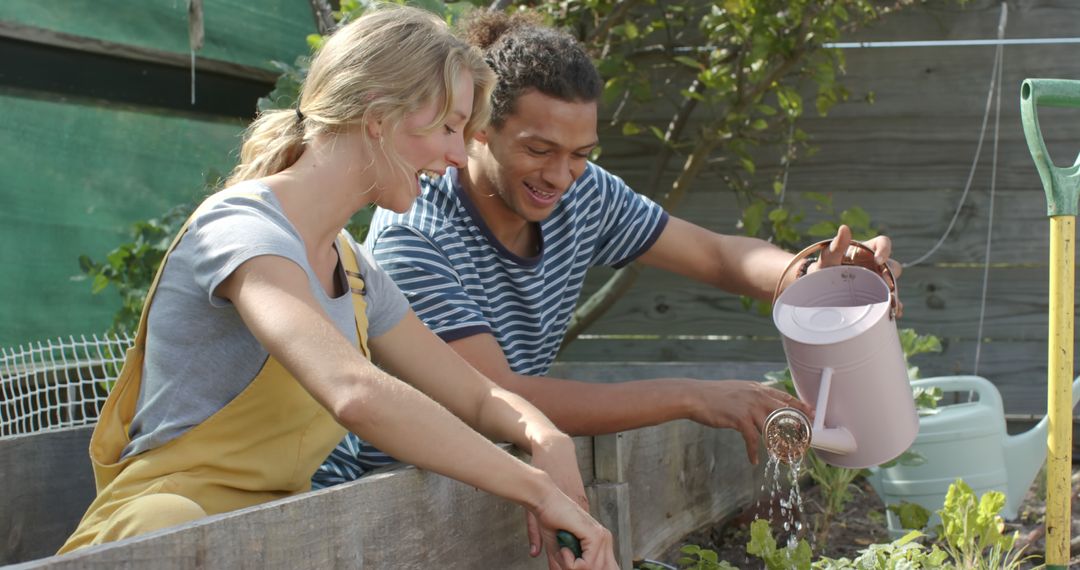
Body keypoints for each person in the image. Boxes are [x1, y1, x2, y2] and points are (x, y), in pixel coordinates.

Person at [57, 7, 617, 568]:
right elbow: (355, 393)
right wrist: (535, 489)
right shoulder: (240, 230)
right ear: (379, 114)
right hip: (162, 537)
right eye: (449, 127)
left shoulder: (352, 270)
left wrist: (546, 439)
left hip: (267, 540)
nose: (455, 157)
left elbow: (477, 394)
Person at [319, 9, 896, 491]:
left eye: (581, 153)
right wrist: (695, 397)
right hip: (383, 487)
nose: (561, 176)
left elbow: (719, 256)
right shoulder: (416, 239)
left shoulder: (582, 195)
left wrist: (812, 276)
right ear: (477, 129)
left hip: (497, 471)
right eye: (539, 149)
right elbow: (500, 397)